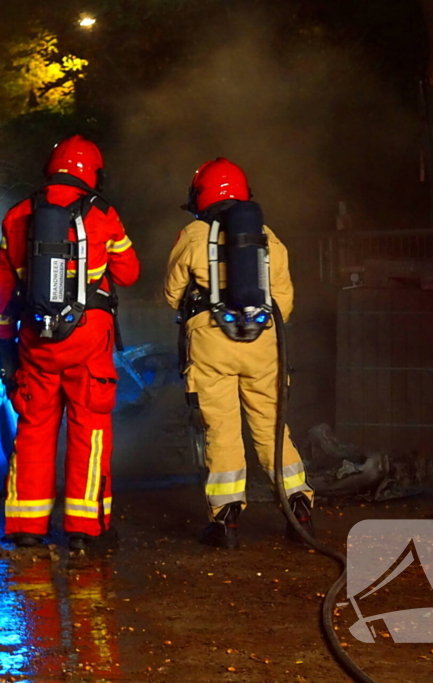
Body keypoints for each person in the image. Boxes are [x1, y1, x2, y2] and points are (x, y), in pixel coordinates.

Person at [0, 135, 140, 551]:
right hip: (88, 339)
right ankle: (84, 530)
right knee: (89, 429)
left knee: (35, 429)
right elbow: (129, 274)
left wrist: (3, 344)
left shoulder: (18, 214)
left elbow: (3, 291)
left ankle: (26, 527)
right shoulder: (104, 215)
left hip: (36, 341)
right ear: (93, 173)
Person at [163, 158, 313, 549]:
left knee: (223, 431)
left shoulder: (194, 235)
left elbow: (171, 294)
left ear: (201, 195)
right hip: (264, 345)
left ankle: (225, 520)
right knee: (271, 428)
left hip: (212, 344)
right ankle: (299, 506)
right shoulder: (268, 237)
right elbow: (284, 301)